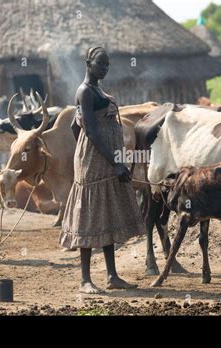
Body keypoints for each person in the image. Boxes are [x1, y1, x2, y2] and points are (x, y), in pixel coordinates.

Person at [59, 47, 146, 294]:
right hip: (95, 163)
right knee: (89, 215)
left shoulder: (98, 90)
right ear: (88, 63)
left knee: (105, 213)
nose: (105, 68)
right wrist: (113, 162)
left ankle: (112, 275)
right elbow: (90, 131)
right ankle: (85, 279)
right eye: (100, 63)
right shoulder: (85, 91)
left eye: (107, 64)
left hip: (105, 159)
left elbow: (75, 127)